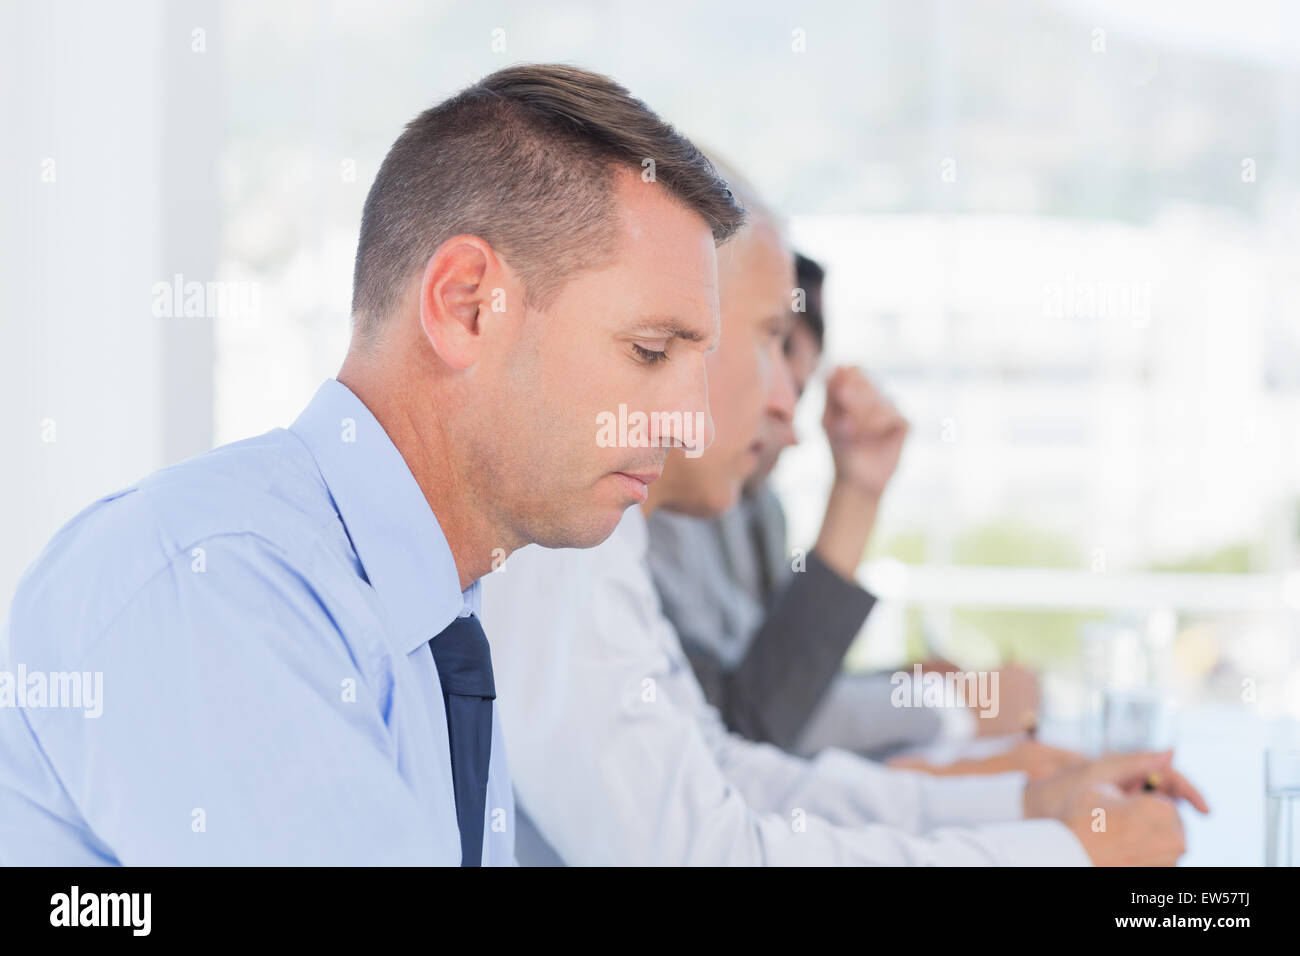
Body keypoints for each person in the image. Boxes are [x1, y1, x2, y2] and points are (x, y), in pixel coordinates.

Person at [0, 64, 746, 865]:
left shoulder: (434, 622)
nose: (692, 425)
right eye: (650, 351)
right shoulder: (215, 582)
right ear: (466, 307)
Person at [481, 163, 1207, 866]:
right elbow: (725, 804)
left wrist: (1023, 802)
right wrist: (1052, 846)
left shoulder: (632, 531)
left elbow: (732, 772)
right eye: (768, 339)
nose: (785, 410)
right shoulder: (566, 530)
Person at [646, 253, 1068, 774]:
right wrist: (949, 706)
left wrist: (911, 685)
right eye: (766, 354)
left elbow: (779, 686)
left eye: (798, 387)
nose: (788, 421)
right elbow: (751, 721)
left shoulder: (756, 507)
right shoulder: (641, 513)